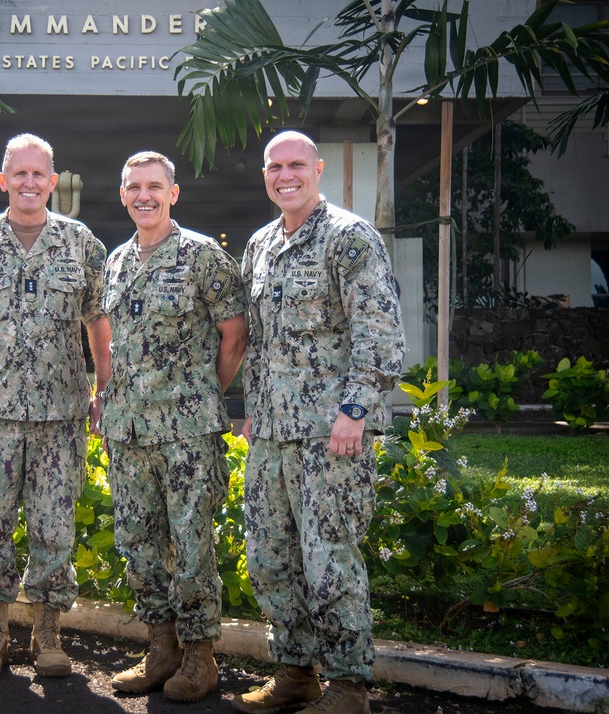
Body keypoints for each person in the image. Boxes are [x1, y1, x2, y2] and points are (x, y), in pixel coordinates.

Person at [232, 131, 405, 714]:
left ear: (318, 170)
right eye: (275, 166)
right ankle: (295, 673)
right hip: (274, 431)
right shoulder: (258, 245)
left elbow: (379, 333)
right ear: (265, 174)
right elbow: (258, 342)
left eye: (296, 165)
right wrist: (254, 411)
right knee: (269, 556)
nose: (286, 175)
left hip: (332, 432)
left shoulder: (349, 238)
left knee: (329, 557)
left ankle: (349, 685)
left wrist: (353, 413)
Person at [0, 133, 111, 680]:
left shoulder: (81, 242)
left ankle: (48, 635)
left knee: (53, 528)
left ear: (53, 181)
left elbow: (98, 323)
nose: (30, 183)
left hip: (61, 416)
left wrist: (103, 389)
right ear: (3, 180)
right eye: (20, 174)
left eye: (40, 174)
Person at [101, 151, 247, 703]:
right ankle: (159, 649)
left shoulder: (204, 257)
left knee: (191, 546)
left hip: (186, 431)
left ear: (173, 194)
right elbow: (117, 343)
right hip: (128, 430)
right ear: (123, 195)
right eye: (134, 186)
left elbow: (234, 338)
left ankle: (199, 657)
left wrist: (200, 394)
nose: (144, 195)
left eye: (154, 186)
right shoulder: (116, 261)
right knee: (138, 543)